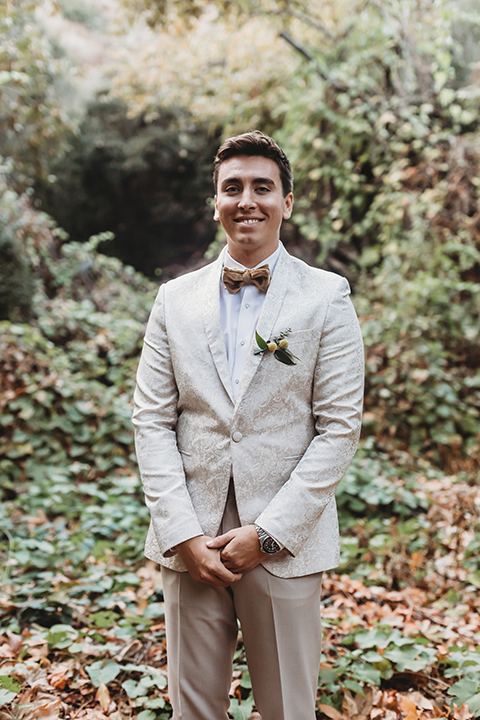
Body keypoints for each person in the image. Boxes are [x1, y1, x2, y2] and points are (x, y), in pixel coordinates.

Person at [132, 131, 364, 720]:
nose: (247, 200)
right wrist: (182, 535)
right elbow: (152, 419)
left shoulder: (326, 297)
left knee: (288, 708)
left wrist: (268, 534)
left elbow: (339, 427)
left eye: (263, 186)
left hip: (284, 539)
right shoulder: (174, 300)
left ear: (287, 201)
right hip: (193, 538)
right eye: (232, 188)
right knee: (193, 711)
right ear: (215, 202)